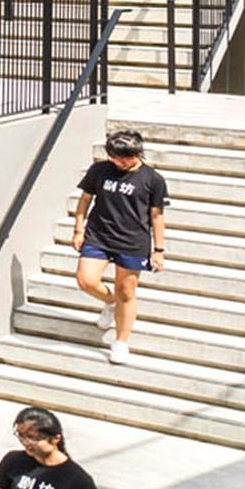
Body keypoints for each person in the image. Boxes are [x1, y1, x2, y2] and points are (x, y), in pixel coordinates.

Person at [67, 128, 169, 364]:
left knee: (126, 292)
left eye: (130, 158)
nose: (124, 163)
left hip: (132, 241)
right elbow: (85, 200)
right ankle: (110, 303)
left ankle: (121, 341)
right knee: (86, 280)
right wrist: (78, 229)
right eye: (119, 158)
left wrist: (159, 250)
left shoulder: (153, 180)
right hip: (98, 234)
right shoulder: (99, 170)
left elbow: (157, 216)